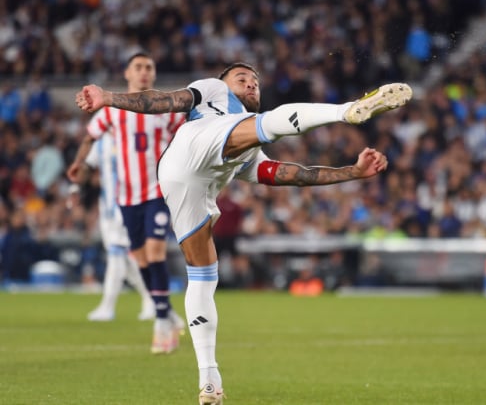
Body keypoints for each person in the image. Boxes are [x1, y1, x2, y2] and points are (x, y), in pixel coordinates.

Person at [75, 62, 411, 404]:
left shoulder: (247, 147)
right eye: (242, 78)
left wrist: (351, 172)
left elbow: (291, 174)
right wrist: (109, 97)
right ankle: (348, 111)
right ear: (224, 82)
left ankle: (209, 379)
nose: (251, 84)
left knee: (203, 276)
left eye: (255, 81)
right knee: (270, 123)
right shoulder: (213, 91)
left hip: (183, 184)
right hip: (192, 145)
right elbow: (168, 100)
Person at [67, 52, 186, 354]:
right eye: (138, 67)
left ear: (154, 74)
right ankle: (166, 310)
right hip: (126, 195)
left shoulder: (167, 108)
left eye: (149, 67)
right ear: (127, 73)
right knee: (141, 258)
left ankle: (160, 321)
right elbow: (89, 136)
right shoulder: (112, 110)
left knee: (156, 251)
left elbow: (187, 138)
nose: (144, 72)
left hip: (158, 191)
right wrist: (80, 164)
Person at [75, 132, 156, 321]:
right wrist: (77, 184)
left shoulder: (132, 135)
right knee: (128, 258)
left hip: (128, 203)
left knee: (119, 254)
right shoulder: (102, 141)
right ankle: (151, 299)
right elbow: (88, 166)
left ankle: (108, 306)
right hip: (107, 208)